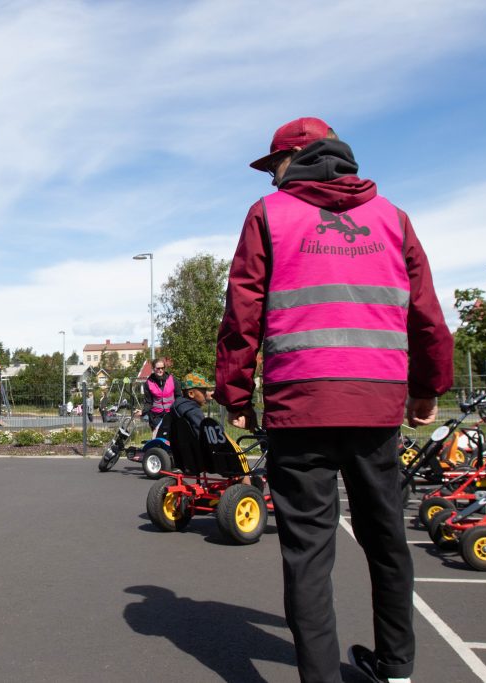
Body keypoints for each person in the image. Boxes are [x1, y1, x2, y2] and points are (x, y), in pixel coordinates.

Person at [215, 117, 453, 683]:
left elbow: (243, 310)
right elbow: (425, 312)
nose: (272, 176)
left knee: (308, 555)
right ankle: (396, 668)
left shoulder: (268, 215)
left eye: (273, 164)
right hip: (376, 404)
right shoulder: (392, 218)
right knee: (387, 539)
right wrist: (426, 389)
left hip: (302, 405)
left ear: (295, 157)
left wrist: (235, 392)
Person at [136, 360, 175, 431]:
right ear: (153, 369)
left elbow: (179, 397)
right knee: (158, 436)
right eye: (158, 368)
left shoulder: (172, 379)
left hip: (171, 414)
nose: (160, 370)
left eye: (162, 368)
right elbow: (149, 402)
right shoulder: (148, 383)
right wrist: (143, 412)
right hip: (156, 416)